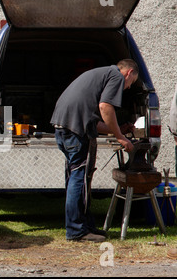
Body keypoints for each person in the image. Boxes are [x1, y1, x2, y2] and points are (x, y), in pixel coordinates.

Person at [50, 59, 138, 242]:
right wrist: (120, 137)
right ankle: (76, 231)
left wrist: (119, 129)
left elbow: (95, 122)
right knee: (79, 178)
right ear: (128, 73)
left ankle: (85, 226)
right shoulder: (115, 75)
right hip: (74, 130)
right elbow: (105, 107)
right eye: (132, 83)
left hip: (63, 126)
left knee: (77, 177)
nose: (128, 87)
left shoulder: (101, 74)